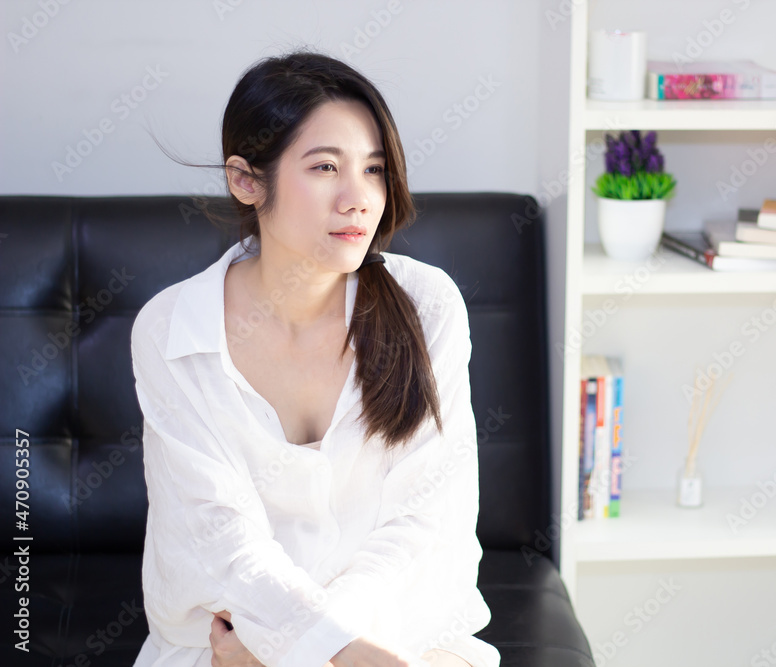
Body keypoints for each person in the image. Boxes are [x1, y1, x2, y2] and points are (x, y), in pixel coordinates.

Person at [130, 50, 500, 667]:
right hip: (229, 648)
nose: (359, 198)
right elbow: (221, 541)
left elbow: (425, 521)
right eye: (325, 166)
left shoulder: (428, 305)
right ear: (247, 180)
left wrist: (324, 649)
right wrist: (306, 647)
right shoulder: (174, 330)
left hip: (395, 636)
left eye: (375, 170)